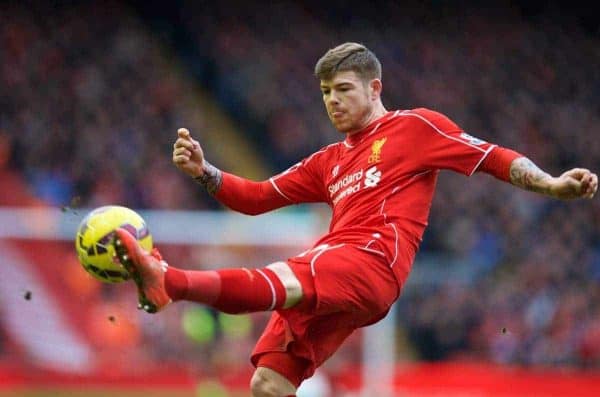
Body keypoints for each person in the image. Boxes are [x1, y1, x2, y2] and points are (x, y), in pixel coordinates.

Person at [113, 42, 598, 397]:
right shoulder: (326, 161)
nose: (333, 101)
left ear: (375, 88)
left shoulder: (413, 128)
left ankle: (169, 282)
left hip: (371, 263)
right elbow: (257, 198)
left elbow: (492, 156)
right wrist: (205, 172)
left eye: (344, 89)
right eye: (326, 92)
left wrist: (551, 184)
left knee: (289, 273)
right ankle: (171, 284)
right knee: (268, 383)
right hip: (340, 275)